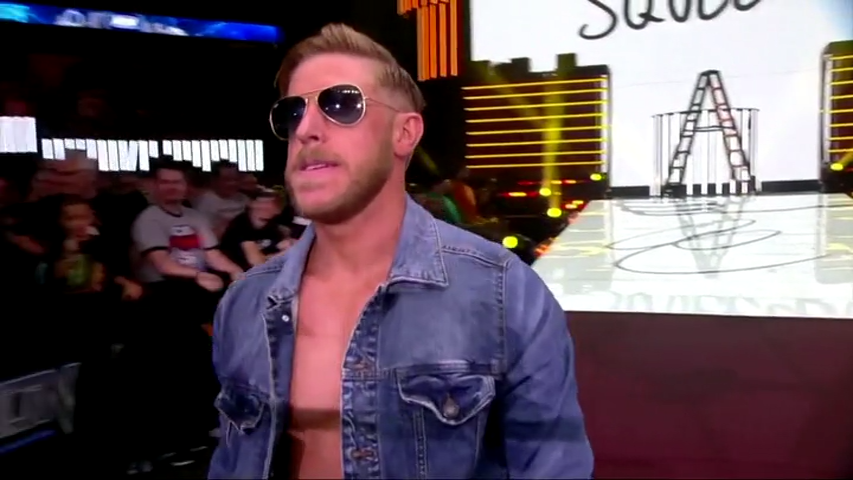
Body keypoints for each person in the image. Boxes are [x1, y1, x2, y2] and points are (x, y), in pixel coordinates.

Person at [209, 24, 592, 480]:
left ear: (405, 133)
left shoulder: (504, 293)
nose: (306, 129)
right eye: (293, 112)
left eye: (341, 104)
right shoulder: (244, 303)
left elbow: (554, 467)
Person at [219, 187, 294, 270]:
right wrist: (284, 253)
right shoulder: (241, 225)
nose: (268, 206)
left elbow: (286, 245)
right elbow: (257, 263)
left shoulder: (273, 225)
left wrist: (271, 256)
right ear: (251, 204)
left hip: (272, 269)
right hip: (245, 273)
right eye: (263, 203)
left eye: (272, 203)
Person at [193, 162, 249, 238]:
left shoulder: (244, 198)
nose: (233, 183)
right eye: (227, 179)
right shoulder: (205, 202)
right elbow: (205, 236)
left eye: (236, 179)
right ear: (214, 180)